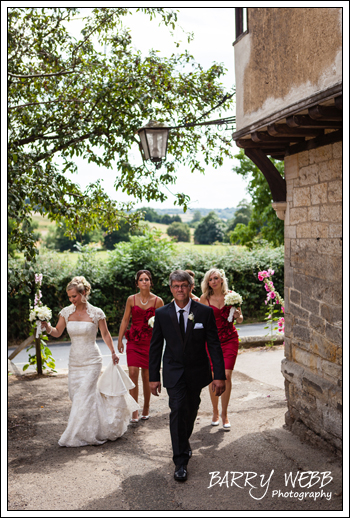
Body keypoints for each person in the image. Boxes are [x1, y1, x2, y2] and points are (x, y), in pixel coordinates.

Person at [41, 276, 139, 447]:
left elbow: (106, 334)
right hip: (74, 361)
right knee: (76, 396)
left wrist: (113, 352)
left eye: (74, 296)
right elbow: (57, 332)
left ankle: (77, 435)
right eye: (69, 297)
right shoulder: (66, 312)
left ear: (84, 293)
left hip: (92, 361)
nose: (72, 300)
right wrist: (47, 326)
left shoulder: (96, 313)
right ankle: (97, 427)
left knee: (82, 397)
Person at [149, 270, 226, 482]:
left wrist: (219, 375)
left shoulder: (204, 312)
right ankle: (180, 461)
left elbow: (214, 345)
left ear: (191, 287)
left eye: (183, 285)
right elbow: (155, 347)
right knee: (177, 409)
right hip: (173, 371)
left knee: (191, 409)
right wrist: (153, 376)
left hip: (197, 371)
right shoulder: (162, 314)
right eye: (175, 286)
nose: (180, 289)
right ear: (171, 289)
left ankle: (184, 440)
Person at [199, 268, 244, 430]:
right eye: (210, 279)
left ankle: (225, 414)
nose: (213, 281)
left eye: (216, 278)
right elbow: (199, 321)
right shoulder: (204, 298)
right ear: (208, 282)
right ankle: (215, 411)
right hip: (211, 342)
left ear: (222, 280)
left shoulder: (232, 296)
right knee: (213, 377)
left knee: (226, 375)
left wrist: (238, 315)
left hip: (230, 339)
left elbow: (239, 319)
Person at [118, 270, 164, 423]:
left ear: (151, 282)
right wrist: (119, 340)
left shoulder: (158, 301)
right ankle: (134, 410)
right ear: (137, 283)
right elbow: (125, 320)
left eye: (147, 279)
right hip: (134, 340)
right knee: (132, 373)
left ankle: (146, 407)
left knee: (147, 376)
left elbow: (163, 325)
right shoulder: (131, 299)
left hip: (150, 342)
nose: (144, 282)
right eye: (141, 279)